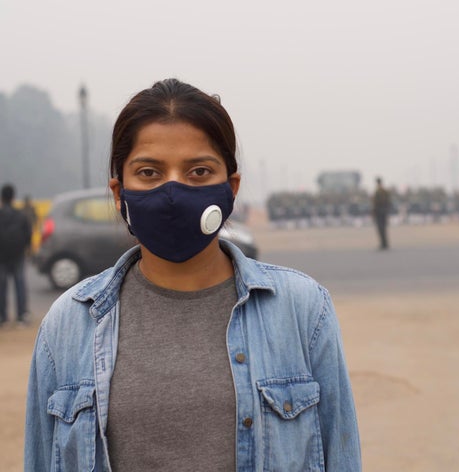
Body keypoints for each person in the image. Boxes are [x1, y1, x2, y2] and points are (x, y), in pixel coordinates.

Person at [25, 79, 361, 471]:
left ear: (230, 188)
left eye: (199, 171)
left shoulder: (303, 310)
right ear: (119, 193)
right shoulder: (67, 325)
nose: (173, 192)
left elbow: (340, 455)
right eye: (149, 172)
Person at [0, 184, 32, 326]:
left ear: (2, 197)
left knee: (2, 285)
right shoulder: (21, 215)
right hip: (18, 254)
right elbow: (28, 234)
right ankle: (22, 316)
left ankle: (3, 317)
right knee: (19, 283)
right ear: (13, 197)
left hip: (2, 255)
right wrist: (25, 248)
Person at [372, 176, 391, 250]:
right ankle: (384, 243)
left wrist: (374, 211)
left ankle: (384, 243)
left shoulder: (379, 191)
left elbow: (375, 203)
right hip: (383, 211)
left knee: (381, 228)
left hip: (379, 211)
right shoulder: (384, 191)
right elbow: (388, 202)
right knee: (383, 228)